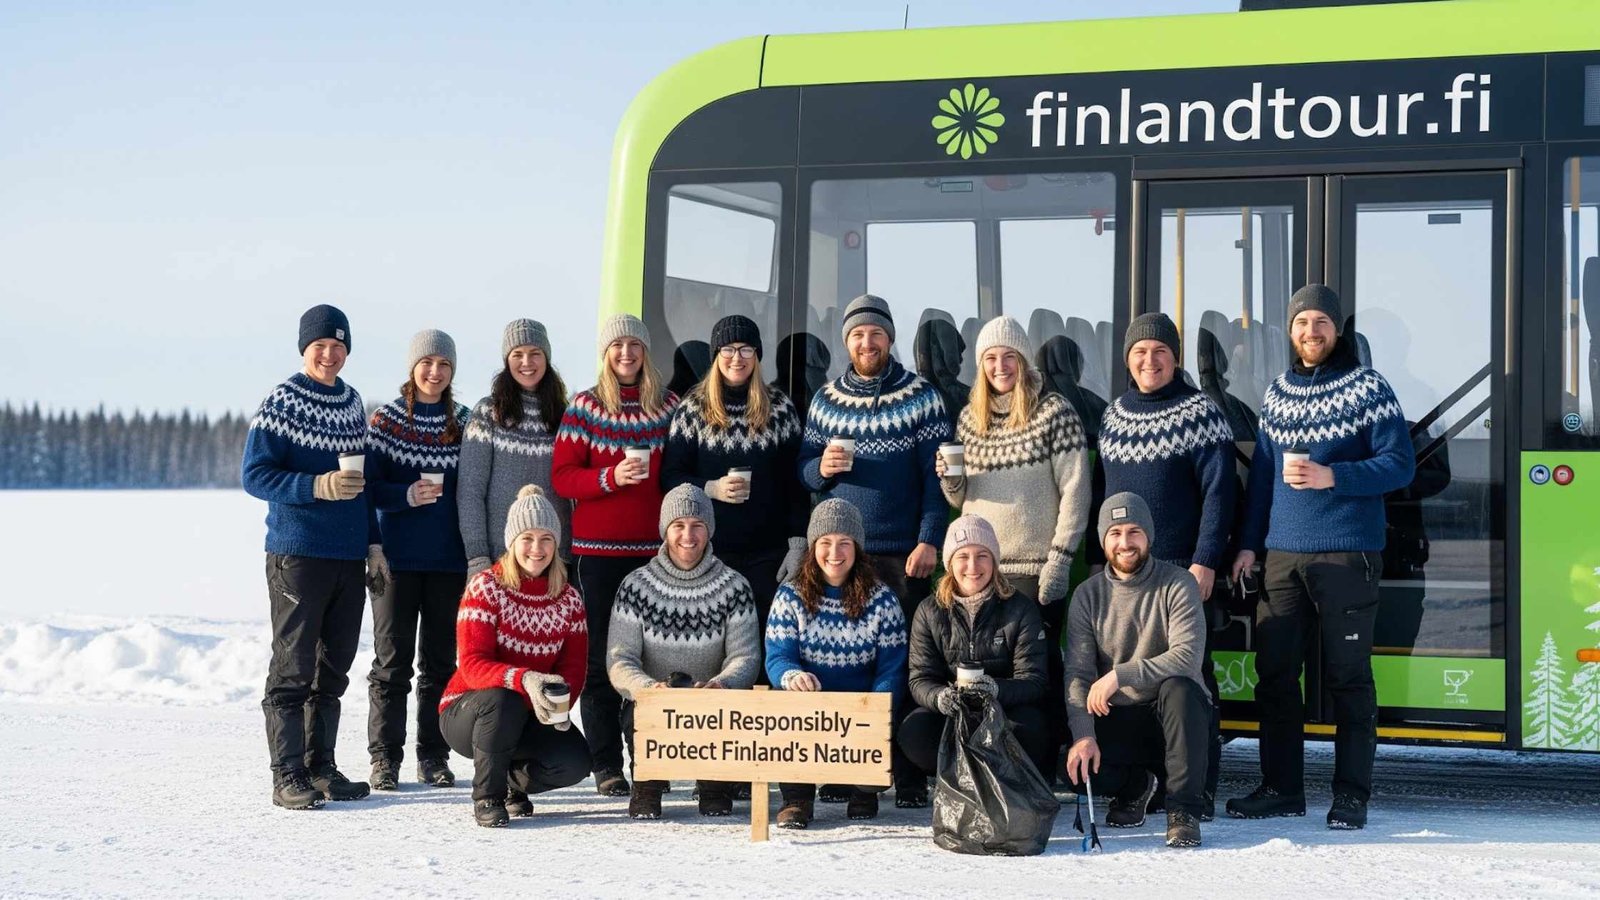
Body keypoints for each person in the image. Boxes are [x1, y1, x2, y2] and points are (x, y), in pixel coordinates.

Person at [1227, 284, 1415, 830]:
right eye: (1302, 323)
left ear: (1337, 329)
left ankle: (1351, 795)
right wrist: (1248, 545)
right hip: (1282, 556)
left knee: (1348, 679)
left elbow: (1399, 464)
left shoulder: (1369, 387)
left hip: (1346, 554)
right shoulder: (1278, 392)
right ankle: (1281, 789)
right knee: (1275, 676)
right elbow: (1263, 479)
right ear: (1291, 331)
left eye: (1321, 323)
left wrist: (1335, 475)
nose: (1311, 332)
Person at [798, 293, 953, 806]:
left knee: (905, 664)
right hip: (844, 558)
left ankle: (907, 773)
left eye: (876, 334)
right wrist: (820, 469)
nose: (868, 343)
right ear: (848, 342)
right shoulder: (825, 400)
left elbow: (936, 479)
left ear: (890, 338)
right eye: (858, 335)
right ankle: (846, 767)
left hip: (905, 555)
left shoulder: (921, 396)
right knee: (846, 663)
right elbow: (804, 471)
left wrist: (930, 539)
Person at [1097, 312, 1235, 819]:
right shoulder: (1113, 417)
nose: (1149, 360)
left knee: (1192, 680)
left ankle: (1200, 789)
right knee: (1135, 683)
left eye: (1160, 352)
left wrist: (1205, 561)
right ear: (1127, 360)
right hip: (1126, 575)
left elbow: (1219, 494)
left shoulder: (1200, 412)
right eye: (1140, 352)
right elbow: (1103, 496)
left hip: (1181, 574)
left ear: (1175, 359)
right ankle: (1152, 779)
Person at [241, 304, 377, 809]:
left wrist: (374, 544)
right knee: (293, 667)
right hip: (297, 554)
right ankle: (287, 774)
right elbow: (255, 475)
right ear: (305, 348)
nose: (329, 354)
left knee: (333, 669)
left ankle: (321, 768)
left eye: (338, 346)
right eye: (320, 345)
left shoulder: (351, 402)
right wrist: (316, 485)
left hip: (347, 556)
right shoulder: (283, 402)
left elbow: (364, 486)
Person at [937, 315, 1090, 754]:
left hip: (1033, 569)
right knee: (984, 671)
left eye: (1008, 356)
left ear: (1023, 361)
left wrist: (1060, 560)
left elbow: (1076, 489)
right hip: (979, 569)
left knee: (1039, 672)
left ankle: (1054, 755)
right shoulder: (970, 419)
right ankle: (989, 756)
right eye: (990, 358)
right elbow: (962, 498)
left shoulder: (1053, 411)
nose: (1000, 366)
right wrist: (950, 479)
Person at [552, 313, 680, 799]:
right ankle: (606, 765)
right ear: (605, 354)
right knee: (602, 661)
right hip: (598, 555)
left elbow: (678, 471)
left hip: (654, 556)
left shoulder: (667, 407)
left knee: (653, 659)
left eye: (634, 345)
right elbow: (563, 477)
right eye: (617, 346)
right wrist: (609, 478)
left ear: (645, 352)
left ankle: (650, 761)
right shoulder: (585, 407)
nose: (626, 354)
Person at [1064, 493, 1211, 849]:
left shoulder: (1178, 583)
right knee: (1072, 771)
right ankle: (1137, 785)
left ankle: (1184, 812)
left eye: (1134, 532)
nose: (1125, 543)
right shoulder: (1087, 595)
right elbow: (1078, 674)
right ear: (1103, 541)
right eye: (1115, 533)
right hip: (1120, 717)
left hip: (1172, 722)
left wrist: (1119, 674)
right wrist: (1084, 736)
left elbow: (1187, 657)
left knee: (1181, 688)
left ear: (1149, 536)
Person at [439, 485, 590, 827]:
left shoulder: (568, 599)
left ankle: (510, 782)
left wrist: (560, 706)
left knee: (575, 763)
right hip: (469, 710)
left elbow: (573, 667)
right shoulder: (486, 587)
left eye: (546, 539)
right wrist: (525, 679)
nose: (537, 548)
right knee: (503, 700)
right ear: (512, 541)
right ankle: (488, 797)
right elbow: (472, 665)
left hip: (530, 714)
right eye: (527, 538)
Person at [606, 484, 760, 820]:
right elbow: (620, 659)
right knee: (639, 710)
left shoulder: (734, 586)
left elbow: (745, 656)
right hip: (654, 700)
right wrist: (649, 688)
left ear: (709, 530)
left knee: (725, 708)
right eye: (678, 525)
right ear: (665, 530)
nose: (688, 536)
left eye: (697, 525)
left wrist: (722, 684)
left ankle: (714, 785)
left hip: (712, 701)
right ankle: (647, 784)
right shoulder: (636, 586)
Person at [663, 314, 808, 668]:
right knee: (712, 648)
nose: (737, 358)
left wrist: (797, 544)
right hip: (711, 555)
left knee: (764, 646)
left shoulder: (779, 407)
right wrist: (710, 488)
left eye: (746, 349)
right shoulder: (693, 408)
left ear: (757, 355)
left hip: (768, 554)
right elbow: (670, 476)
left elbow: (795, 483)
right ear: (716, 356)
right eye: (728, 349)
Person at [364, 329, 472, 791]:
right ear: (413, 368)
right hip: (397, 561)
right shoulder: (387, 421)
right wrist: (405, 495)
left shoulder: (464, 422)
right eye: (427, 363)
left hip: (449, 562)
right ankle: (384, 758)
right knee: (391, 665)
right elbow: (368, 489)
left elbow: (476, 487)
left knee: (440, 665)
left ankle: (433, 756)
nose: (435, 371)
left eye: (444, 364)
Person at [765, 499, 908, 828]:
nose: (834, 552)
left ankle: (863, 791)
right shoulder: (790, 595)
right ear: (813, 547)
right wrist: (791, 676)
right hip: (810, 708)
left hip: (861, 709)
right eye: (825, 542)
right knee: (784, 708)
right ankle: (797, 798)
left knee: (880, 730)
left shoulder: (882, 600)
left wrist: (876, 708)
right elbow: (778, 655)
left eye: (844, 543)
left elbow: (892, 666)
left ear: (857, 548)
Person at [899, 515, 1051, 786]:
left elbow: (1034, 680)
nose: (972, 566)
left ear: (994, 561)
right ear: (950, 563)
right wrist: (940, 697)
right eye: (963, 556)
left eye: (982, 556)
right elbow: (920, 678)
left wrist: (995, 689)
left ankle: (996, 780)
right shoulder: (929, 610)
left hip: (1002, 712)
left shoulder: (1020, 607)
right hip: (951, 711)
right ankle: (962, 779)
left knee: (1033, 729)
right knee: (915, 733)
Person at [458, 318, 571, 575]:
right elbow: (470, 491)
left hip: (553, 559)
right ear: (507, 360)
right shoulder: (488, 412)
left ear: (547, 358)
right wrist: (477, 556)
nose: (526, 362)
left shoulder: (565, 414)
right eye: (517, 354)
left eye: (535, 353)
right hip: (500, 558)